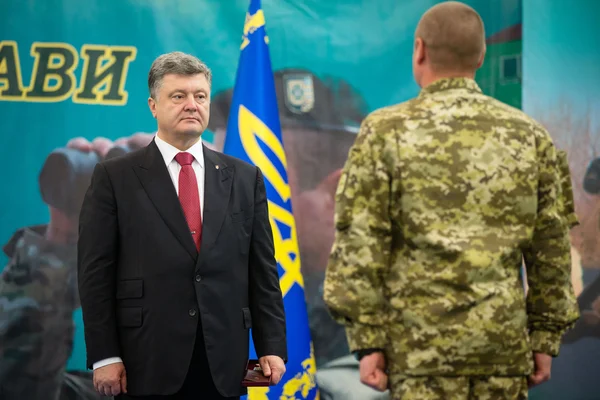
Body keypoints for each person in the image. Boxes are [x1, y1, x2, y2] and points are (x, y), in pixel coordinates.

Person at [322, 2, 580, 399]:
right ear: (481, 56)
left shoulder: (384, 131)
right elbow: (552, 248)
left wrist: (368, 342)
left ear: (420, 50)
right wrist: (545, 339)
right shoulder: (530, 135)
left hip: (418, 356)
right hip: (502, 351)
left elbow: (359, 243)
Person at [77, 51, 287, 399]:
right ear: (153, 106)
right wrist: (105, 355)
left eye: (200, 96)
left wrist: (272, 345)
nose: (192, 105)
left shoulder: (244, 178)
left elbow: (262, 270)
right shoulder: (115, 177)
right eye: (179, 96)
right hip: (144, 360)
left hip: (225, 361)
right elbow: (95, 275)